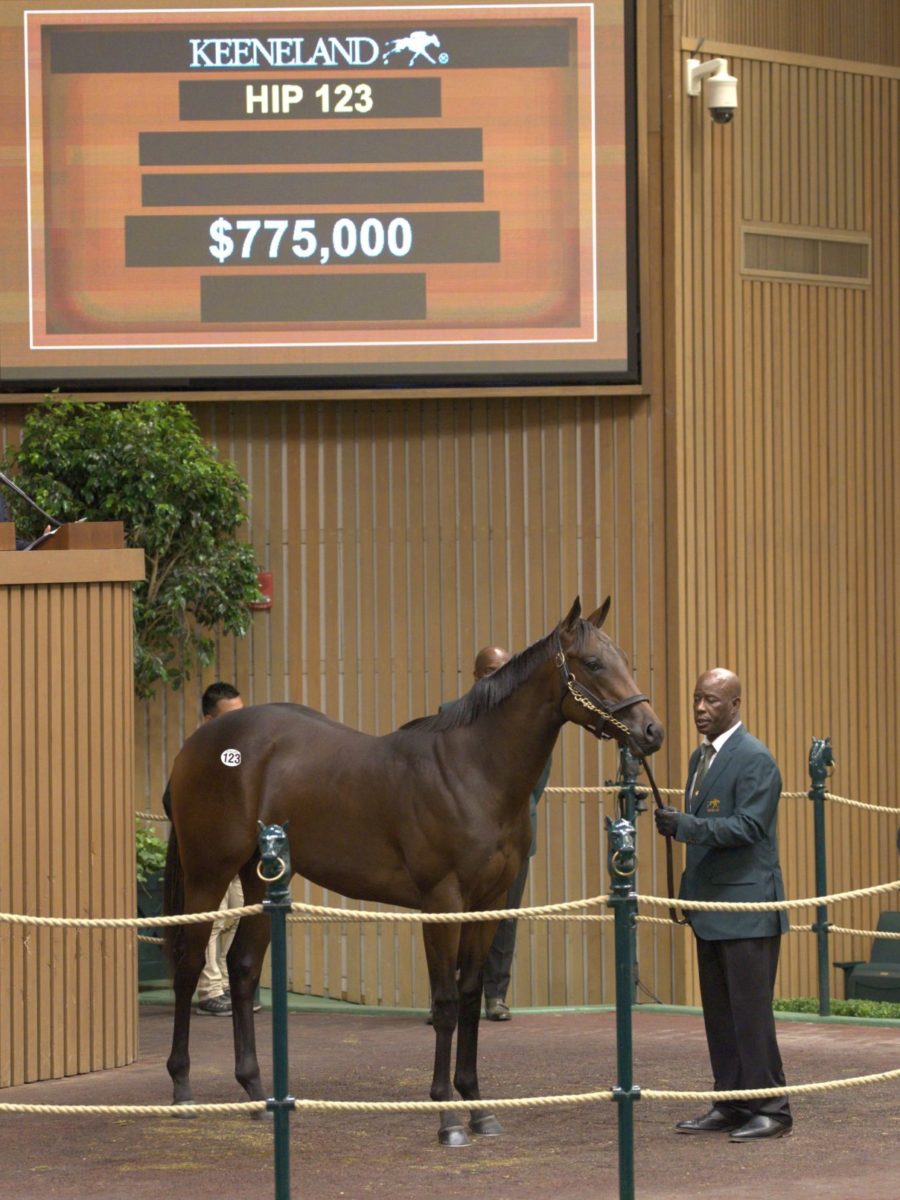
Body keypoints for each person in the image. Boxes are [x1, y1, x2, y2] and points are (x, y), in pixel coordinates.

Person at [655, 668, 792, 1141]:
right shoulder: (701, 758)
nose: (699, 708)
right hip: (710, 909)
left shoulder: (756, 759)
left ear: (735, 705)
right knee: (720, 1014)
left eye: (711, 700)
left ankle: (773, 1109)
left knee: (750, 1013)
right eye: (697, 699)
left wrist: (685, 827)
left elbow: (749, 827)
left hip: (747, 910)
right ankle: (732, 1103)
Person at [473, 646, 552, 1023]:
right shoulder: (453, 715)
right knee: (452, 916)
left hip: (514, 835)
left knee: (505, 917)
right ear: (476, 678)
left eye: (505, 670)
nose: (499, 678)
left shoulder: (529, 723)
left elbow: (537, 780)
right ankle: (450, 995)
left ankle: (496, 996)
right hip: (463, 836)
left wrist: (514, 812)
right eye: (491, 671)